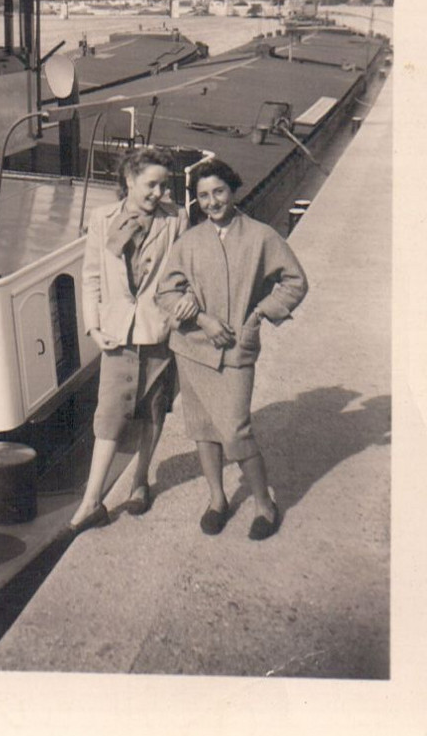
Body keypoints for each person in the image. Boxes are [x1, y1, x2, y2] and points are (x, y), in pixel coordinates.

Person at [156, 157, 308, 540]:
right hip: (191, 348)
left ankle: (263, 504)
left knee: (237, 431)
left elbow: (295, 281)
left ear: (233, 189)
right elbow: (165, 291)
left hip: (236, 351)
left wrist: (258, 314)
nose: (212, 202)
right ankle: (217, 500)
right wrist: (200, 318)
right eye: (203, 195)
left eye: (218, 192)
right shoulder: (188, 242)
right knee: (203, 429)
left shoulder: (261, 236)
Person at [69, 147, 196, 534]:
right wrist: (93, 327)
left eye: (164, 185)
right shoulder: (102, 218)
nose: (159, 193)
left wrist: (188, 298)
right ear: (129, 180)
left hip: (158, 330)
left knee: (153, 410)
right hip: (117, 334)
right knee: (110, 414)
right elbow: (91, 277)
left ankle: (140, 480)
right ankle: (92, 501)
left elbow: (186, 271)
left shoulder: (177, 219)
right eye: (151, 184)